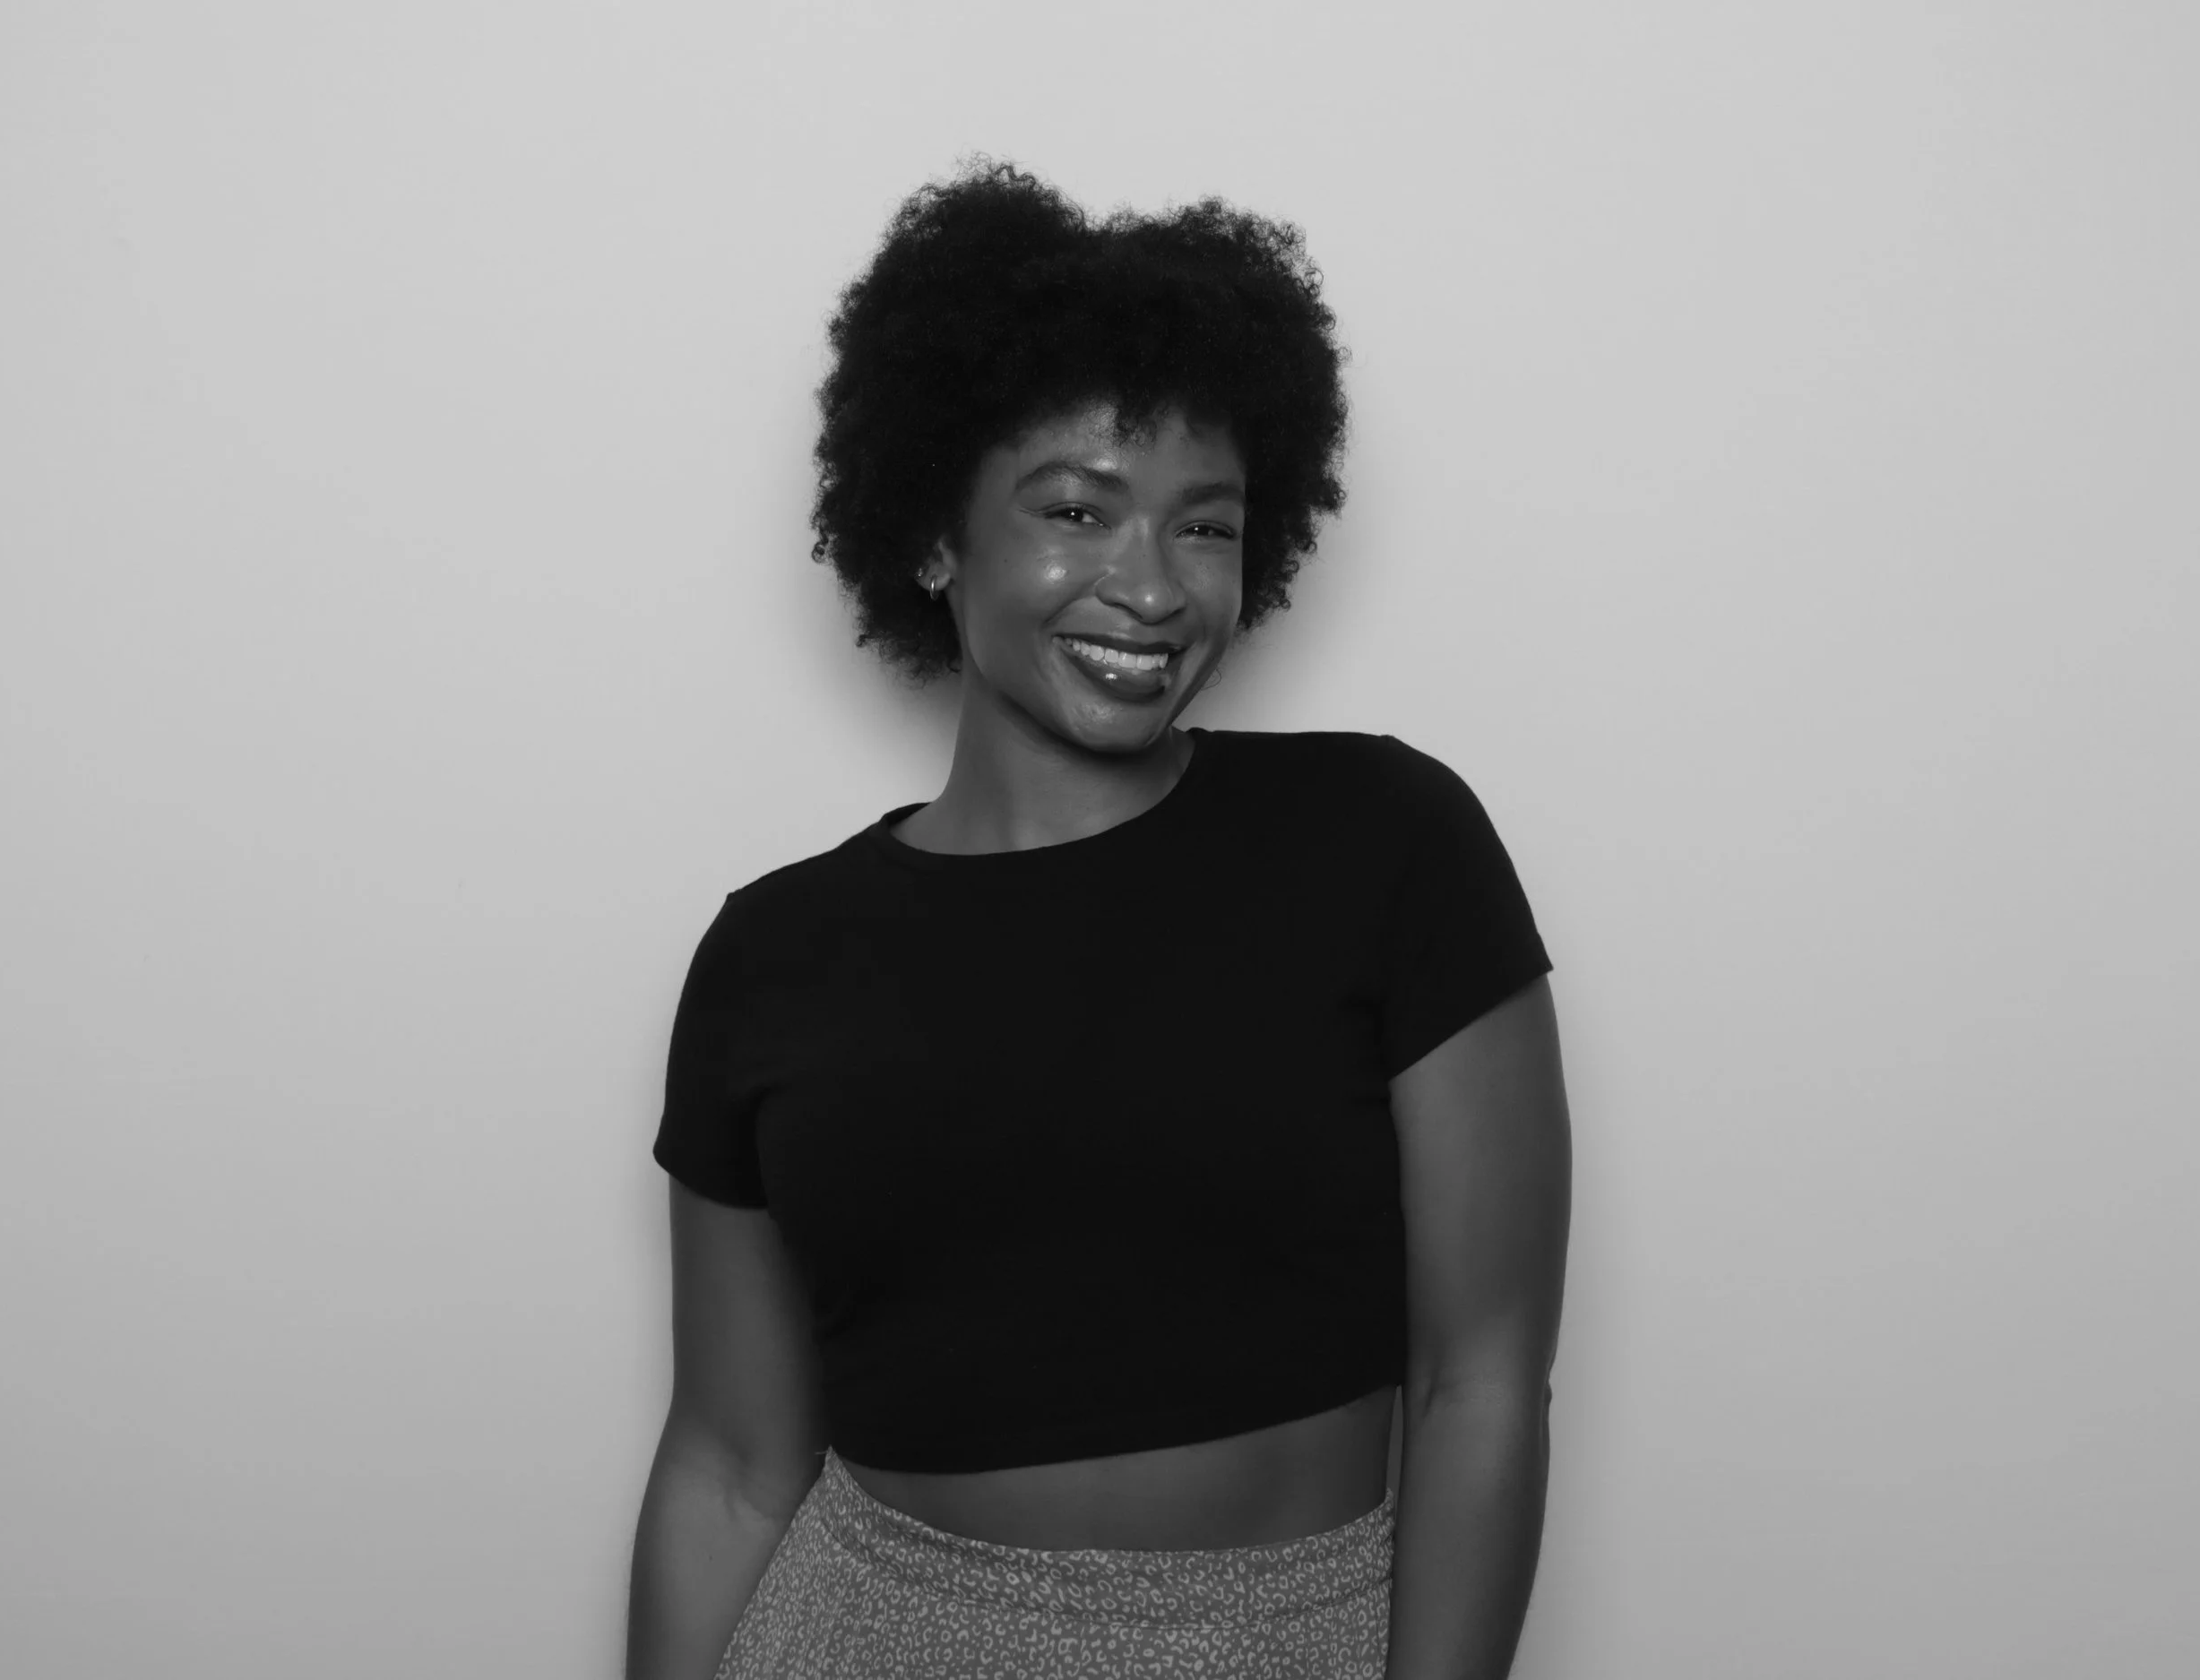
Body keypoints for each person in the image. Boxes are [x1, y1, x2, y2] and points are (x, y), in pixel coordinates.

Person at [625, 159, 1572, 1680]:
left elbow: (1483, 1379)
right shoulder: (771, 957)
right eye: (1076, 508)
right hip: (862, 1632)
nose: (1150, 586)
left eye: (1205, 526)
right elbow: (730, 1464)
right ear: (935, 536)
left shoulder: (1387, 844)